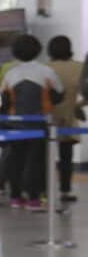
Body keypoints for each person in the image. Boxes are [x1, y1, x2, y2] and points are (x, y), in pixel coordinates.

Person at [0, 34, 63, 210]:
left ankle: (15, 197)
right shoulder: (46, 71)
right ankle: (35, 199)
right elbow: (58, 95)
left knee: (15, 160)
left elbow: (4, 101)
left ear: (15, 52)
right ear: (38, 50)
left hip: (15, 125)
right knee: (37, 162)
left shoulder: (11, 73)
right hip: (40, 124)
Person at [46, 35, 81, 204]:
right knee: (66, 158)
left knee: (44, 157)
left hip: (47, 119)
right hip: (69, 118)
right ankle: (65, 190)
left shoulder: (45, 68)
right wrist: (79, 105)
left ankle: (42, 191)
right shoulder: (79, 67)